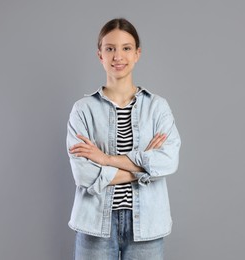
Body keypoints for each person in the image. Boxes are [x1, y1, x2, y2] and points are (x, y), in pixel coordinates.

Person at [66, 18, 181, 260]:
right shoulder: (83, 110)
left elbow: (169, 161)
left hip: (147, 225)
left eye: (126, 48)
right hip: (95, 225)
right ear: (100, 55)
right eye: (110, 49)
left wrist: (106, 159)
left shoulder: (158, 107)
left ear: (137, 53)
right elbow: (84, 175)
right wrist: (145, 168)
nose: (118, 56)